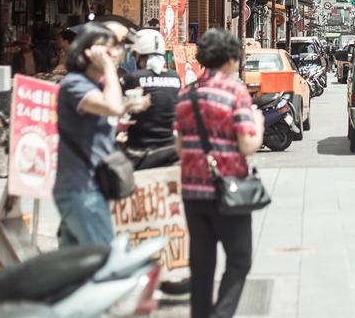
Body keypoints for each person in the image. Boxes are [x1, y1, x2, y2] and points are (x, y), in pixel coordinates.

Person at [174, 29, 264, 318]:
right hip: (228, 189)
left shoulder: (185, 93)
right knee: (239, 260)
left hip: (192, 190)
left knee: (201, 265)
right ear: (229, 58)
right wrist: (259, 124)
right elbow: (248, 144)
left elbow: (179, 146)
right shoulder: (234, 91)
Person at [54, 23, 149, 246]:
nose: (116, 53)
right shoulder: (74, 84)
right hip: (81, 189)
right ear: (87, 51)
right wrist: (108, 67)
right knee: (104, 259)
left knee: (77, 267)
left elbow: (107, 111)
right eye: (107, 48)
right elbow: (112, 106)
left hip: (89, 186)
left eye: (117, 48)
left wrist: (127, 109)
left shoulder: (91, 85)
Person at [123, 29, 182, 169]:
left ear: (138, 55)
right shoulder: (175, 78)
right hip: (169, 148)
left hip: (138, 150)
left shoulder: (133, 78)